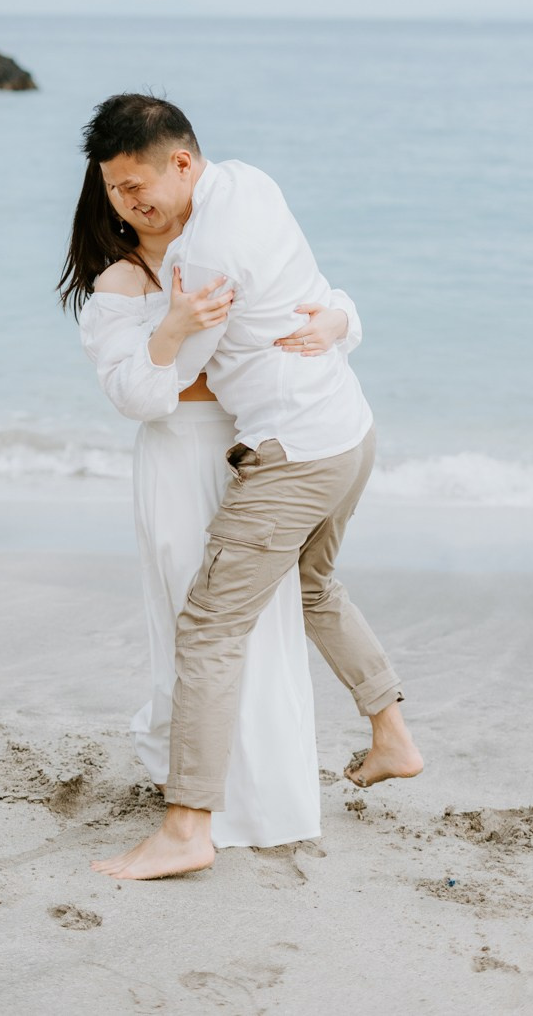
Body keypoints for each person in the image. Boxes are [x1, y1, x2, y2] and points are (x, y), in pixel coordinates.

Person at [75, 94, 423, 881]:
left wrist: (170, 325)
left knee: (208, 627)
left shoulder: (203, 259)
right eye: (114, 190)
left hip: (292, 452)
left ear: (182, 163)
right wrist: (340, 319)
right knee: (311, 587)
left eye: (136, 186)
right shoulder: (251, 183)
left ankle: (186, 828)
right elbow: (317, 291)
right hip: (348, 428)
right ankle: (392, 736)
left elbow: (163, 386)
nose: (127, 203)